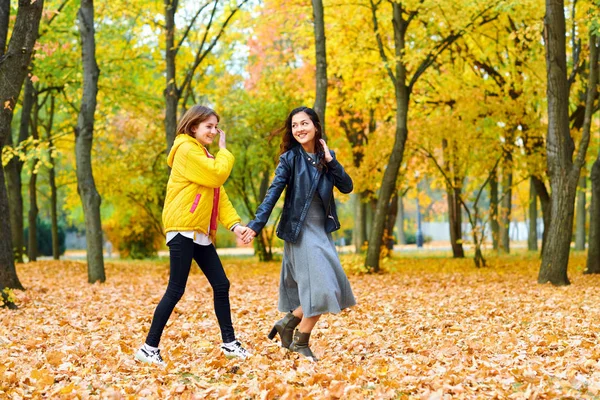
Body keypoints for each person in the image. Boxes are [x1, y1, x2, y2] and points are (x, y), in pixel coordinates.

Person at [135, 105, 251, 367]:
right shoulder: (186, 150)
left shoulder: (204, 155)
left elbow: (218, 194)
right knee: (176, 289)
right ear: (193, 126)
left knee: (221, 284)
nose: (213, 131)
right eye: (208, 126)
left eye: (215, 126)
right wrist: (225, 152)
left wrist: (235, 226)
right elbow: (217, 174)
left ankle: (229, 343)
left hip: (198, 231)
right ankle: (148, 348)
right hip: (182, 227)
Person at [242, 106, 356, 362]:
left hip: (321, 231)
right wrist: (256, 225)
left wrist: (331, 161)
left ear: (316, 126)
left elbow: (347, 186)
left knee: (332, 288)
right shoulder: (290, 159)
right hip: (301, 232)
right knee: (323, 289)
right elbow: (273, 194)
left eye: (304, 124)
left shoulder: (327, 157)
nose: (299, 129)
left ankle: (288, 323)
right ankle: (300, 342)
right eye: (294, 126)